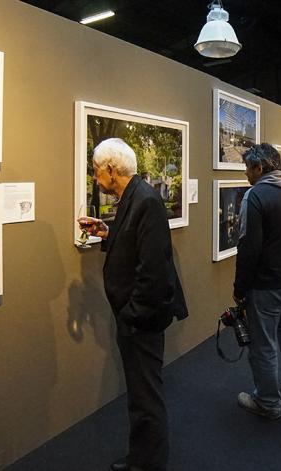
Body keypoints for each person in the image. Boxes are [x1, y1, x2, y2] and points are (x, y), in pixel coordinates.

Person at [77, 138, 188, 471]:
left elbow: (152, 271)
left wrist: (131, 316)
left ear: (111, 169)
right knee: (141, 394)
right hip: (136, 317)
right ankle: (143, 456)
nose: (96, 179)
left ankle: (149, 463)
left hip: (142, 320)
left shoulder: (146, 201)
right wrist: (106, 233)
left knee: (145, 396)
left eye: (97, 172)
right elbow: (134, 243)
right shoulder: (133, 196)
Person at [233, 143, 281, 420]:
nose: (246, 174)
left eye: (247, 168)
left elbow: (248, 248)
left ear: (259, 167)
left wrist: (239, 289)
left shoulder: (255, 197)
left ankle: (267, 401)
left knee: (263, 342)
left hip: (267, 284)